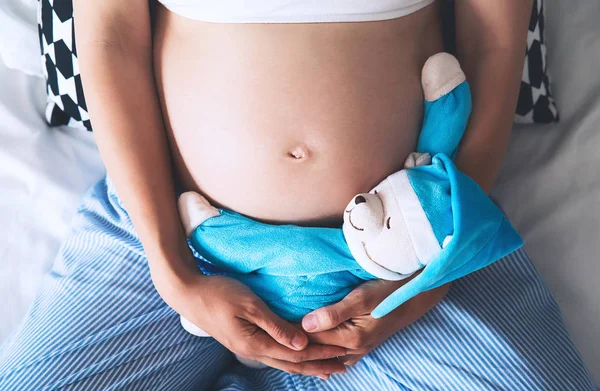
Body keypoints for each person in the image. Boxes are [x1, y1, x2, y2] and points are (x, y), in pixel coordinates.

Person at [0, 0, 596, 389]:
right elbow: (110, 38)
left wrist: (431, 271)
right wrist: (172, 274)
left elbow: (493, 38)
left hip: (405, 253)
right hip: (169, 228)